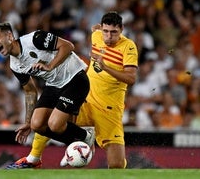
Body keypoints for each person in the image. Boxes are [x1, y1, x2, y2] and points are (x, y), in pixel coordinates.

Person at [7, 11, 139, 169]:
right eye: (106, 31)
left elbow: (131, 78)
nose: (109, 36)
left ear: (122, 29)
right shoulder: (97, 35)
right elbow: (94, 28)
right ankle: (34, 158)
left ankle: (77, 149)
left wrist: (105, 67)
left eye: (114, 32)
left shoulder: (129, 46)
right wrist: (97, 29)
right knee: (48, 120)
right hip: (86, 99)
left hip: (109, 109)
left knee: (117, 165)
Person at [0, 22, 95, 167]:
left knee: (55, 125)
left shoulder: (35, 39)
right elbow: (30, 91)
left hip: (75, 78)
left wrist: (50, 66)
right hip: (54, 85)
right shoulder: (14, 65)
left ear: (10, 36)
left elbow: (68, 46)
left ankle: (86, 136)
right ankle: (75, 145)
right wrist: (27, 122)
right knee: (36, 124)